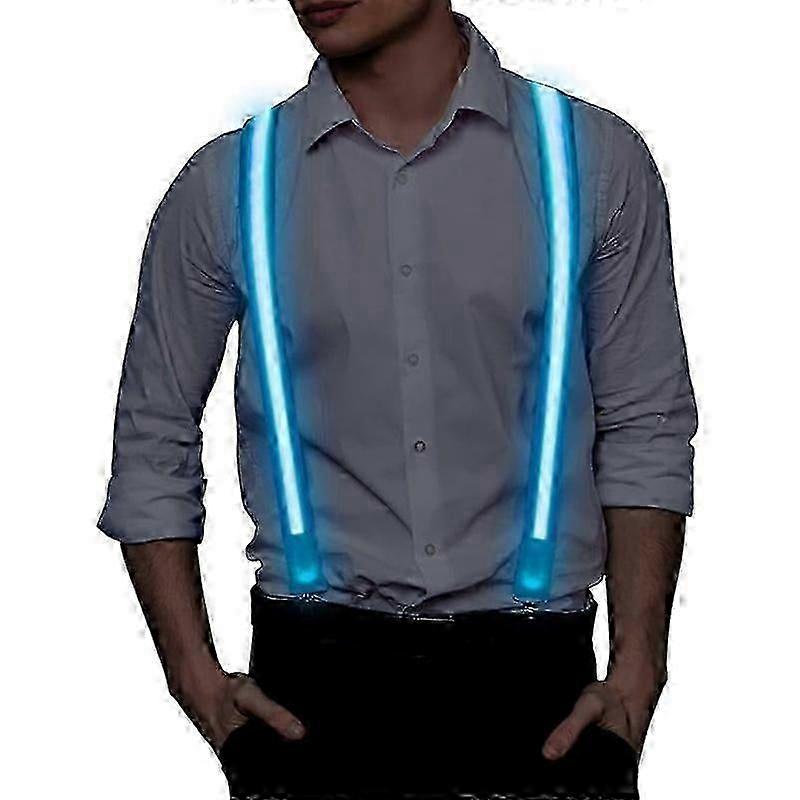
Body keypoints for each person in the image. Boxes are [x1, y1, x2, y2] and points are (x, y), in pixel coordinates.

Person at [97, 2, 697, 798]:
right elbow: (151, 440)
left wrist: (638, 674)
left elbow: (645, 425)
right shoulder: (226, 184)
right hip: (310, 694)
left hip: (541, 695)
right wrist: (196, 683)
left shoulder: (591, 160)